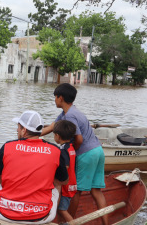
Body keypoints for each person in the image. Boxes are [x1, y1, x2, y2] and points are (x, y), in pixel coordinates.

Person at [41, 83, 108, 225]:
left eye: (55, 97)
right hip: (98, 150)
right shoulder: (70, 112)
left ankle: (70, 222)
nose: (54, 100)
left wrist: (74, 152)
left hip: (86, 153)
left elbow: (79, 139)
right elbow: (53, 125)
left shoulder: (70, 116)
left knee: (76, 190)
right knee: (96, 191)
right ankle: (106, 223)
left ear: (60, 98)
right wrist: (33, 134)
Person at [0, 110, 68, 224]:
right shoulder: (55, 150)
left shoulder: (7, 146)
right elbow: (64, 181)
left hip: (4, 213)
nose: (17, 130)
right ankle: (50, 218)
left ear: (24, 130)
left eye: (18, 127)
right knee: (58, 185)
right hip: (42, 216)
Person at [53, 120, 77, 223]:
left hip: (65, 186)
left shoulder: (63, 150)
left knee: (61, 209)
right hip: (72, 183)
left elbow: (65, 166)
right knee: (62, 208)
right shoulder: (71, 147)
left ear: (57, 136)